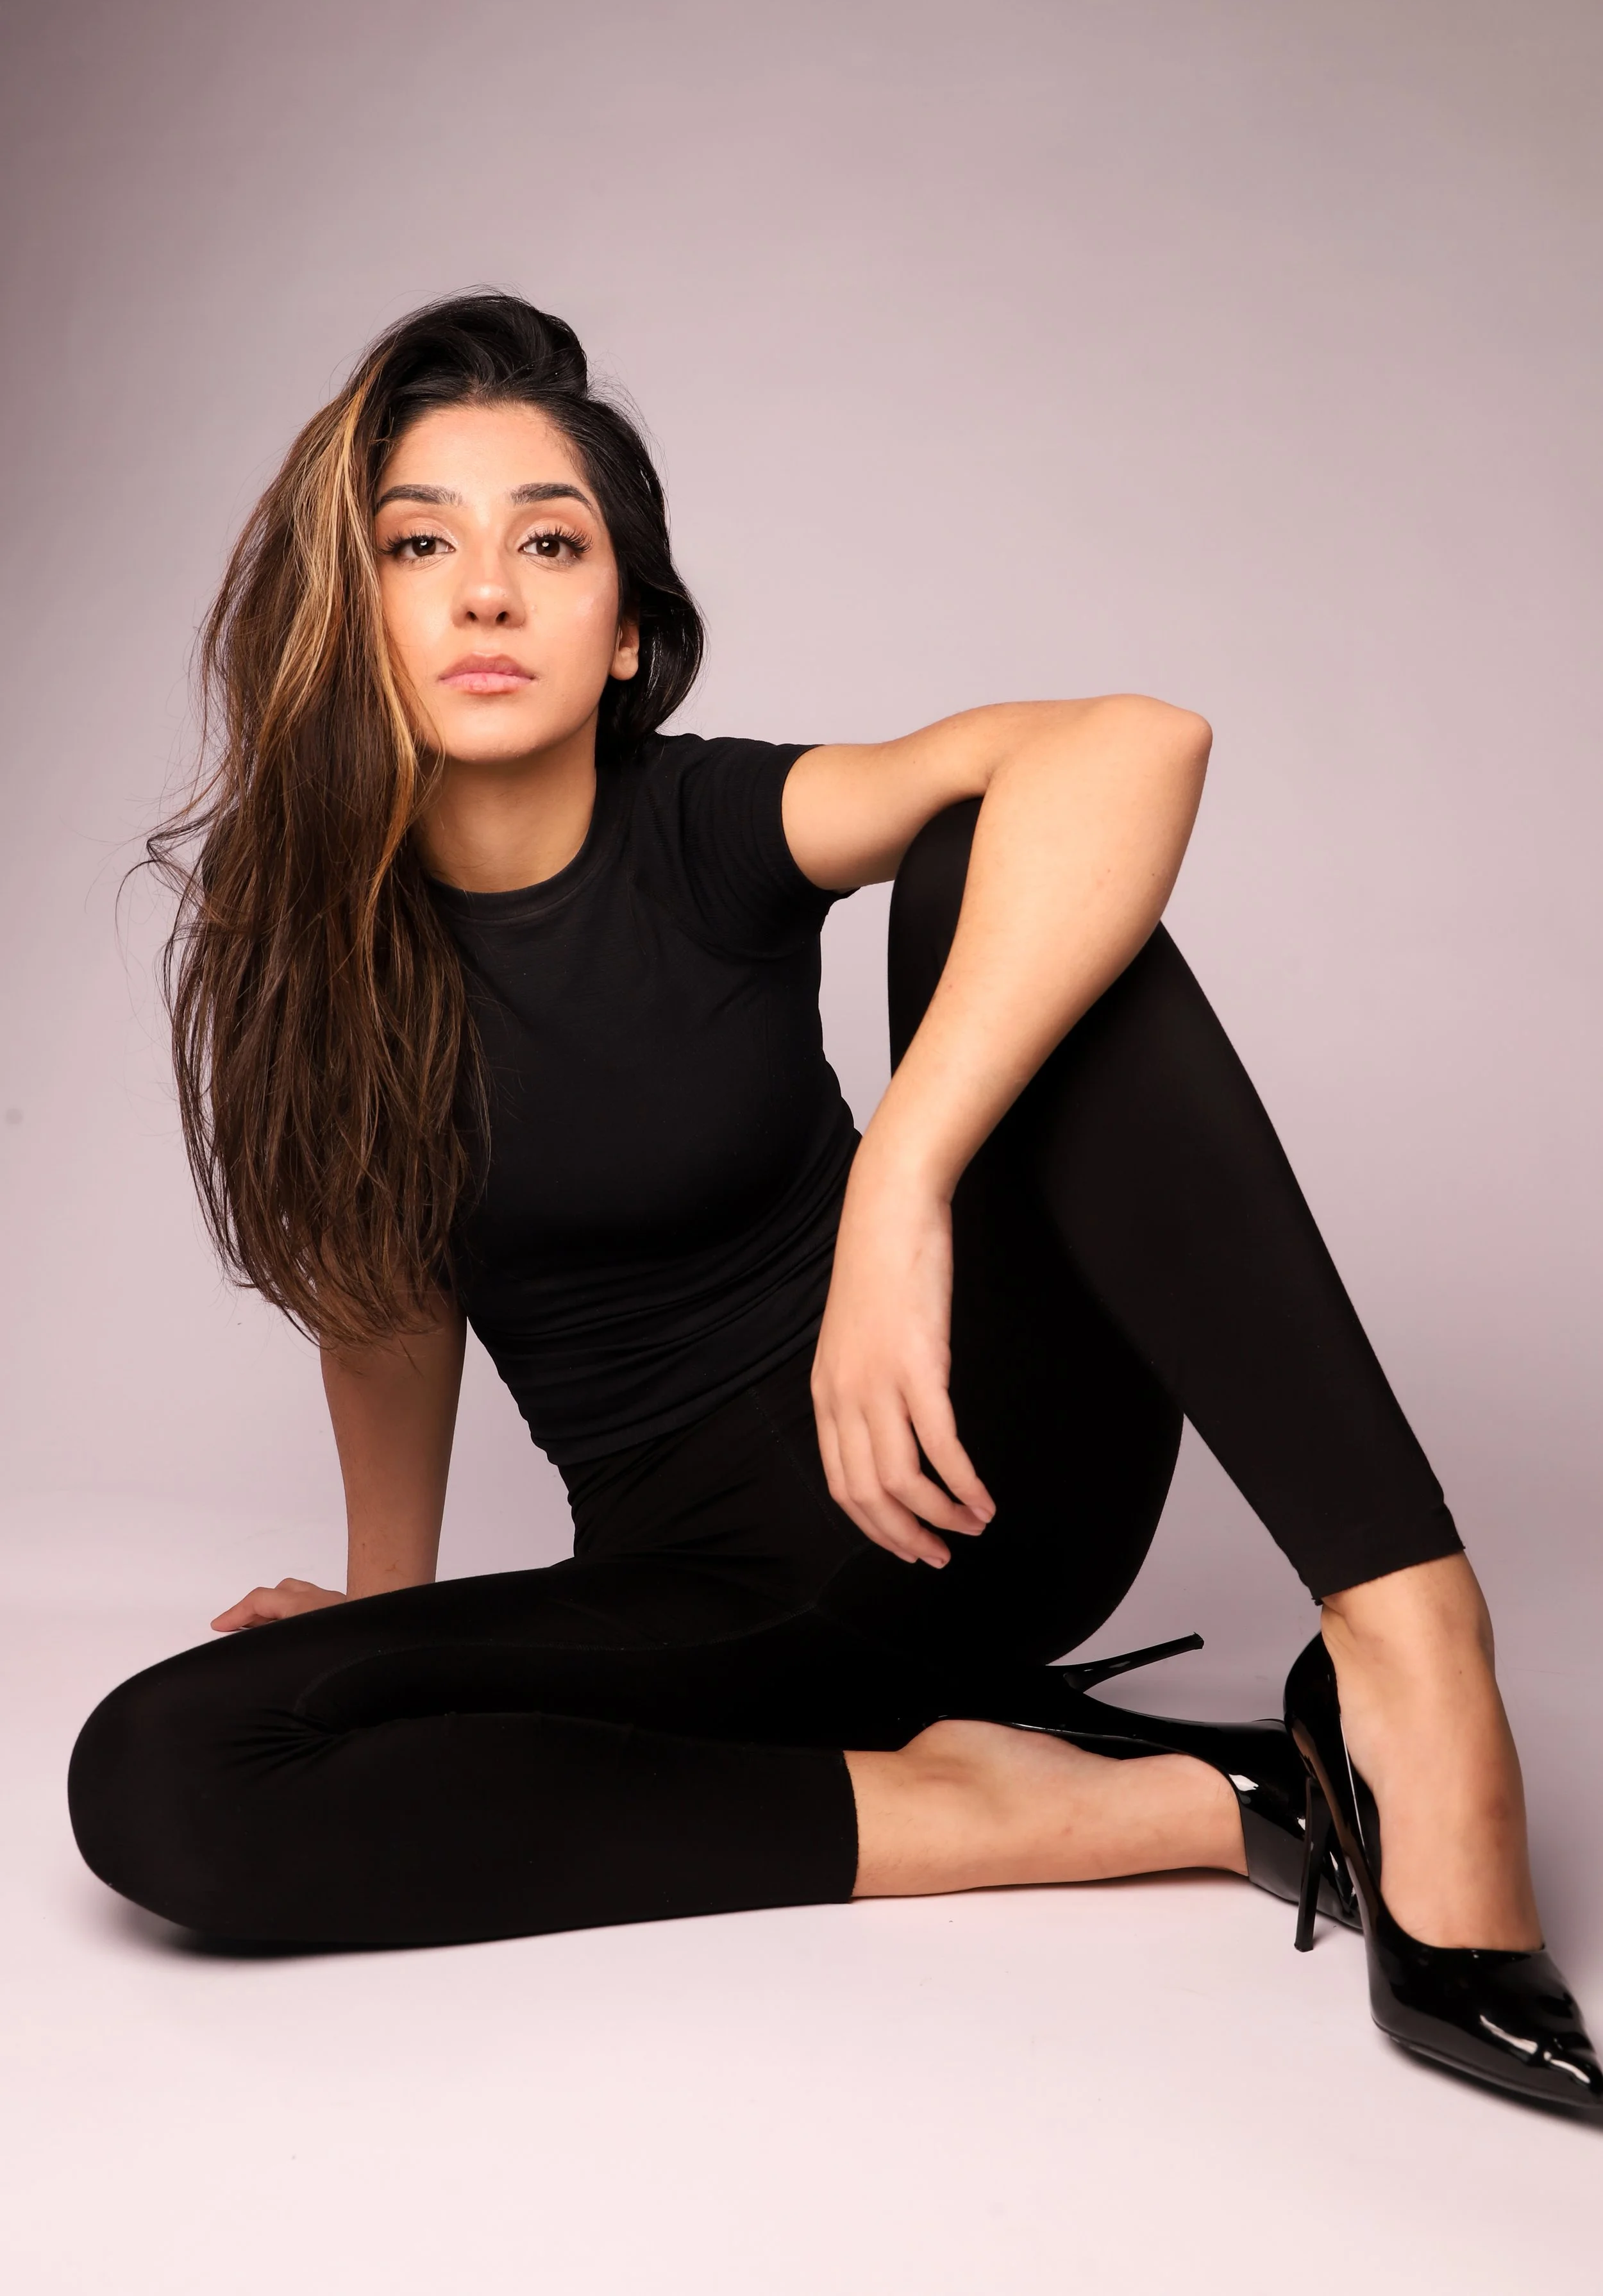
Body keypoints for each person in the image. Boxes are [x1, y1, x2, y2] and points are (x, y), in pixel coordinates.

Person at [68, 294, 1598, 2113]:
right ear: (354, 607)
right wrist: (383, 1611)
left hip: (964, 1468)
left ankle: (1415, 1671)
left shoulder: (705, 829)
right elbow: (389, 1301)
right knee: (158, 1772)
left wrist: (902, 1190)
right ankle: (1108, 1806)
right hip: (713, 1607)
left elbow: (1138, 742)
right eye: (422, 543)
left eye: (548, 543)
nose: (486, 592)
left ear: (625, 634)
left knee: (990, 858)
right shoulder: (319, 950)